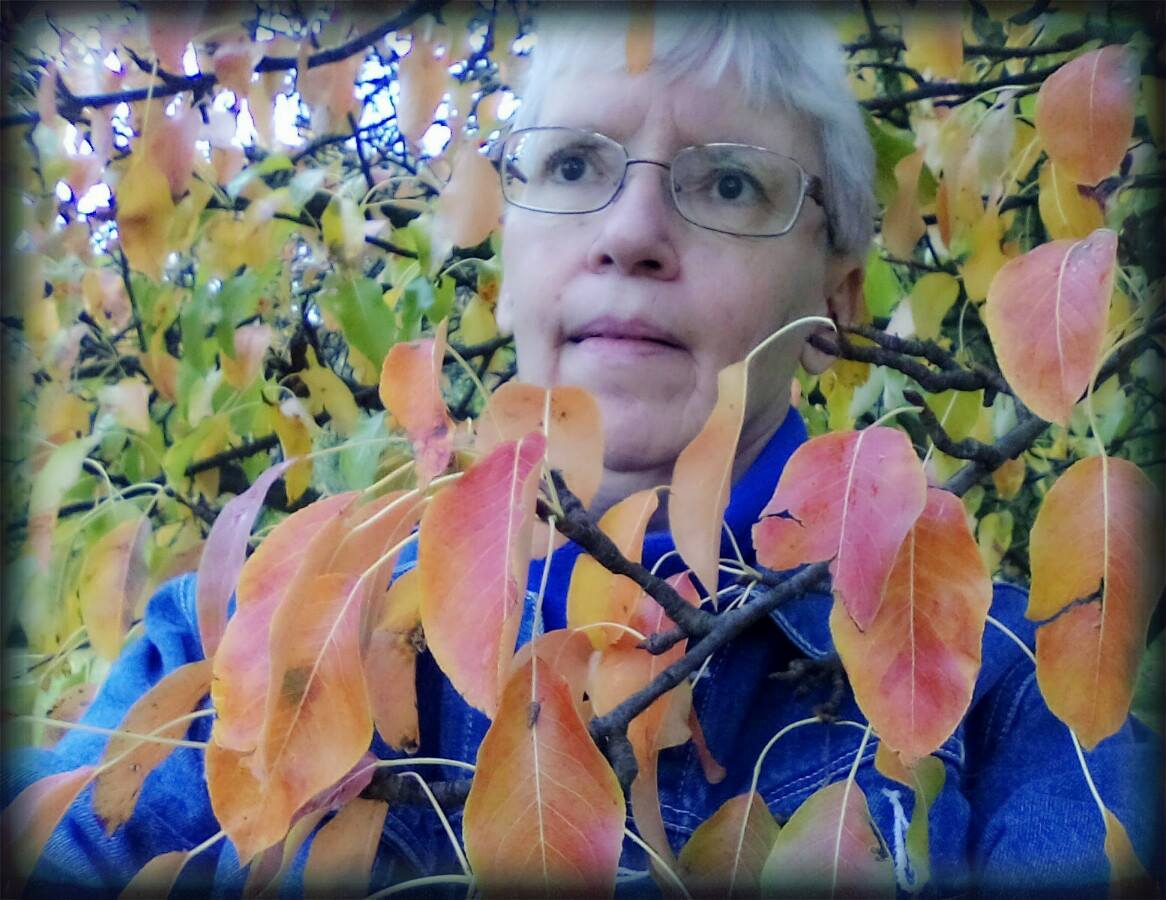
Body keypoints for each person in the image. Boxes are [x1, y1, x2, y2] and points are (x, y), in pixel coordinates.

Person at [4, 5, 1159, 898]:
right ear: (507, 265)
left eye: (726, 181)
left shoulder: (1020, 700)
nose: (630, 231)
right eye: (570, 166)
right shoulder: (251, 641)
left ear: (837, 304)